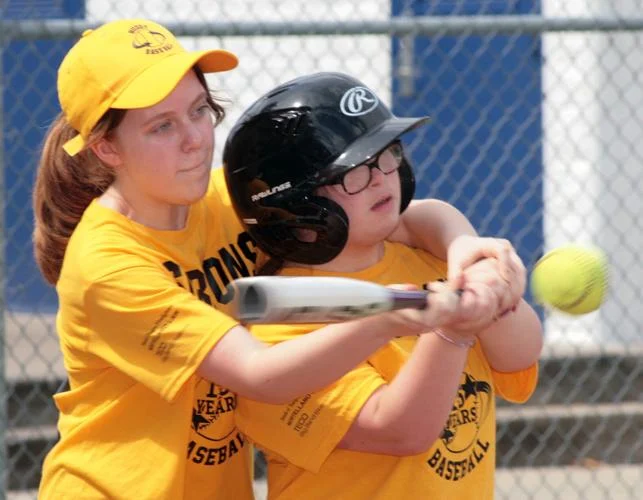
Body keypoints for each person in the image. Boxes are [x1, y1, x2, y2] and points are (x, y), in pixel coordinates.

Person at [31, 19, 518, 500]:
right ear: (106, 147)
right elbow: (258, 373)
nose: (196, 140)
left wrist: (462, 246)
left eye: (199, 110)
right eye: (162, 126)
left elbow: (403, 219)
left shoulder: (221, 197)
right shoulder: (106, 264)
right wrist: (389, 315)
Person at [223, 72, 544, 499]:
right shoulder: (278, 334)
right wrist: (452, 332)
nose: (379, 177)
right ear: (293, 204)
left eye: (385, 155)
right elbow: (399, 432)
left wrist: (495, 293)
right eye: (350, 172)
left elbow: (520, 354)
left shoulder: (432, 258)